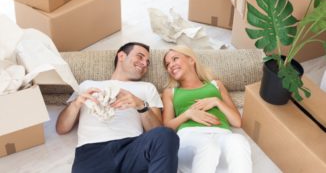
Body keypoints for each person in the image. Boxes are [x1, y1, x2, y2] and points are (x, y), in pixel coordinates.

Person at [56, 42, 179, 173]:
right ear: (121, 56)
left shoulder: (147, 88)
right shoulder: (87, 85)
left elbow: (157, 131)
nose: (144, 64)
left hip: (131, 149)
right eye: (140, 57)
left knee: (166, 135)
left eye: (147, 62)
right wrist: (75, 104)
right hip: (92, 154)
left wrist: (141, 106)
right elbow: (61, 128)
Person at [162, 45, 252, 173]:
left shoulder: (216, 85)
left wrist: (217, 102)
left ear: (191, 60)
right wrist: (188, 114)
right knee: (208, 146)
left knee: (238, 141)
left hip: (222, 135)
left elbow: (237, 122)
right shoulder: (170, 92)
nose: (170, 65)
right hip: (190, 138)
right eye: (167, 64)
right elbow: (167, 127)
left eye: (175, 59)